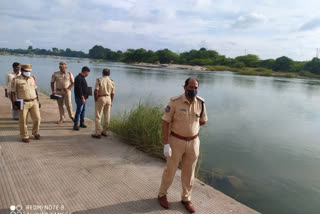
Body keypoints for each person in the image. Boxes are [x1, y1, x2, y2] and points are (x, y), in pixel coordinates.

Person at [158, 78, 208, 213]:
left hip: (193, 142)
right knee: (170, 170)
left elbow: (202, 121)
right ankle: (162, 194)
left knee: (189, 173)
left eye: (196, 87)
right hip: (176, 141)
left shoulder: (201, 103)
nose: (193, 90)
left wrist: (191, 130)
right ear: (184, 87)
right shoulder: (175, 102)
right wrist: (166, 143)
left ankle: (186, 198)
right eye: (191, 87)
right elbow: (165, 122)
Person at [11, 64, 41, 143]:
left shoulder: (32, 78)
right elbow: (13, 93)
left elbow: (35, 90)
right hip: (23, 103)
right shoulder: (16, 79)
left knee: (37, 118)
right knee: (23, 120)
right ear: (22, 71)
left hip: (34, 101)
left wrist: (38, 100)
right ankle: (24, 135)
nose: (28, 72)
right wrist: (14, 104)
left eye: (29, 71)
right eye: (26, 71)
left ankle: (35, 132)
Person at [92, 68, 115, 139]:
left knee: (98, 116)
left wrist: (96, 99)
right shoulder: (112, 81)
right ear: (109, 74)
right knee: (107, 116)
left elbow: (96, 90)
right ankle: (105, 131)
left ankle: (98, 133)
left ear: (102, 73)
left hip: (101, 97)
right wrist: (111, 101)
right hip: (109, 98)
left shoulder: (99, 80)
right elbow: (113, 93)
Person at [73, 66, 90, 131]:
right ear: (85, 72)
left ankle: (82, 123)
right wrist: (82, 98)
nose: (87, 74)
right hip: (80, 98)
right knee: (78, 111)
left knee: (83, 111)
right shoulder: (78, 78)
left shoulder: (82, 78)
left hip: (83, 98)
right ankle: (75, 125)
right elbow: (79, 89)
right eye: (87, 73)